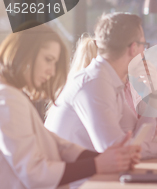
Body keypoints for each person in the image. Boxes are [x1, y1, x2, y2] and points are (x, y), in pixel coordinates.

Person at [0, 23, 140, 189]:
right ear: (23, 53)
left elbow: (60, 146)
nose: (51, 72)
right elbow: (34, 173)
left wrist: (108, 158)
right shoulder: (8, 100)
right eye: (48, 60)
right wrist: (98, 164)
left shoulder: (12, 96)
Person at [45, 13, 157, 159]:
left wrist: (155, 98)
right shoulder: (94, 84)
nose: (144, 53)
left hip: (96, 176)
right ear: (133, 48)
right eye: (143, 46)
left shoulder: (114, 82)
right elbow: (116, 150)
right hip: (78, 180)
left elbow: (137, 142)